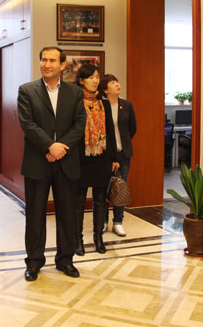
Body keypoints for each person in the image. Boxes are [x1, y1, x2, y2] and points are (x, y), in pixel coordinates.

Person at [17, 46, 86, 281]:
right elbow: (28, 124)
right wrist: (50, 146)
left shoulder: (74, 93)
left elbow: (79, 124)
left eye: (52, 60)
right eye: (43, 60)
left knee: (67, 214)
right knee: (35, 215)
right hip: (37, 161)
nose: (47, 64)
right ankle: (34, 262)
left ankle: (65, 260)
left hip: (66, 161)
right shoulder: (27, 90)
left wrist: (60, 147)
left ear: (62, 65)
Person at [74, 64, 119, 256]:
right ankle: (77, 240)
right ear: (81, 80)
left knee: (100, 201)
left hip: (102, 157)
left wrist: (114, 158)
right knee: (78, 202)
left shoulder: (104, 104)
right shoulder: (75, 102)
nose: (95, 80)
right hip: (81, 158)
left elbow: (110, 131)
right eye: (90, 77)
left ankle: (98, 238)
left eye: (97, 77)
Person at [99, 74, 137, 237]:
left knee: (120, 187)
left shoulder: (126, 105)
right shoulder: (101, 105)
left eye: (117, 81)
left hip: (123, 153)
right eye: (113, 83)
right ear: (105, 89)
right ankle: (103, 221)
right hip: (105, 155)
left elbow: (132, 128)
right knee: (103, 188)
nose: (117, 85)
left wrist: (123, 144)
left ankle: (118, 222)